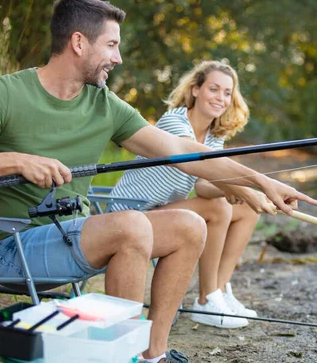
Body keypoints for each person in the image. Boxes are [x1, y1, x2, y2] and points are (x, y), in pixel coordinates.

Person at [0, 0, 317, 363]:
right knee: (132, 226)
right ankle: (123, 356)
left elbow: (181, 151)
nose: (117, 58)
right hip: (10, 247)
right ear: (78, 43)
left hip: (74, 236)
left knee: (189, 225)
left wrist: (261, 181)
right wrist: (17, 161)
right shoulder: (8, 94)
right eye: (111, 45)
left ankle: (151, 355)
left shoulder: (104, 105)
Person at [110, 61, 271, 328]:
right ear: (195, 90)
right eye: (214, 89)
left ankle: (220, 290)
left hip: (161, 213)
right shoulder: (175, 121)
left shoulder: (213, 135)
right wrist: (244, 189)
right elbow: (201, 169)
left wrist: (241, 194)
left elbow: (205, 185)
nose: (221, 98)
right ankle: (206, 302)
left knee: (245, 210)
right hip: (129, 215)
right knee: (219, 208)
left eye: (227, 93)